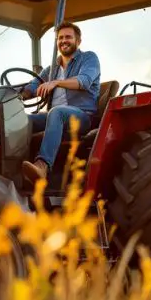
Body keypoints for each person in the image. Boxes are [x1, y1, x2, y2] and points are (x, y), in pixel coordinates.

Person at [20, 21, 101, 183]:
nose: (64, 40)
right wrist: (21, 94)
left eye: (68, 37)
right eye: (60, 38)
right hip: (53, 116)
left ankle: (42, 166)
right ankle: (15, 167)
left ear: (78, 41)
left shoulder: (88, 58)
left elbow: (83, 81)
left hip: (82, 116)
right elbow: (33, 86)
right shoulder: (52, 69)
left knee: (57, 112)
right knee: (21, 121)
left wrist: (56, 83)